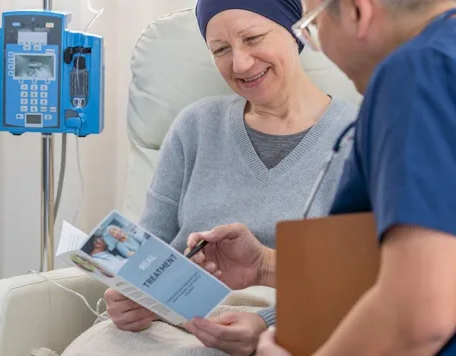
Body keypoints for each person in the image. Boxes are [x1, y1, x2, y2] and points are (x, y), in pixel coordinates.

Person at [186, 0, 456, 355]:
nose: (318, 49)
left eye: (312, 27)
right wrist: (263, 266)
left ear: (357, 10)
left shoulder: (423, 72)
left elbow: (418, 314)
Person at [96, 0, 358, 354]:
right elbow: (148, 250)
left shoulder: (357, 138)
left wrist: (268, 321)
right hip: (167, 324)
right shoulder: (196, 127)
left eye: (252, 38)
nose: (240, 63)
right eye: (220, 50)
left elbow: (359, 281)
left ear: (295, 31)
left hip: (290, 328)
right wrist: (131, 298)